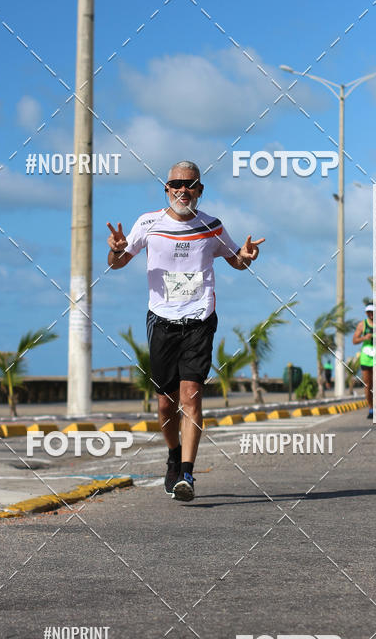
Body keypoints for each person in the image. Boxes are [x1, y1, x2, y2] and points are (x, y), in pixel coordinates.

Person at [106, 161, 264, 502]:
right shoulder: (148, 223)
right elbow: (118, 263)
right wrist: (116, 250)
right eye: (175, 183)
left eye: (189, 184)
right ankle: (174, 456)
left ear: (200, 190)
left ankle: (188, 475)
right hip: (161, 320)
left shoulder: (213, 226)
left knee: (191, 396)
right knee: (165, 405)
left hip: (200, 319)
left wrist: (248, 256)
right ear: (166, 188)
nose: (182, 189)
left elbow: (236, 259)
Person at [352, 304, 375, 418]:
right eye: (368, 312)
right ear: (366, 313)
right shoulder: (362, 325)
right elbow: (354, 340)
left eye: (372, 312)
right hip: (366, 357)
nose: (371, 314)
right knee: (368, 385)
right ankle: (371, 408)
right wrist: (364, 338)